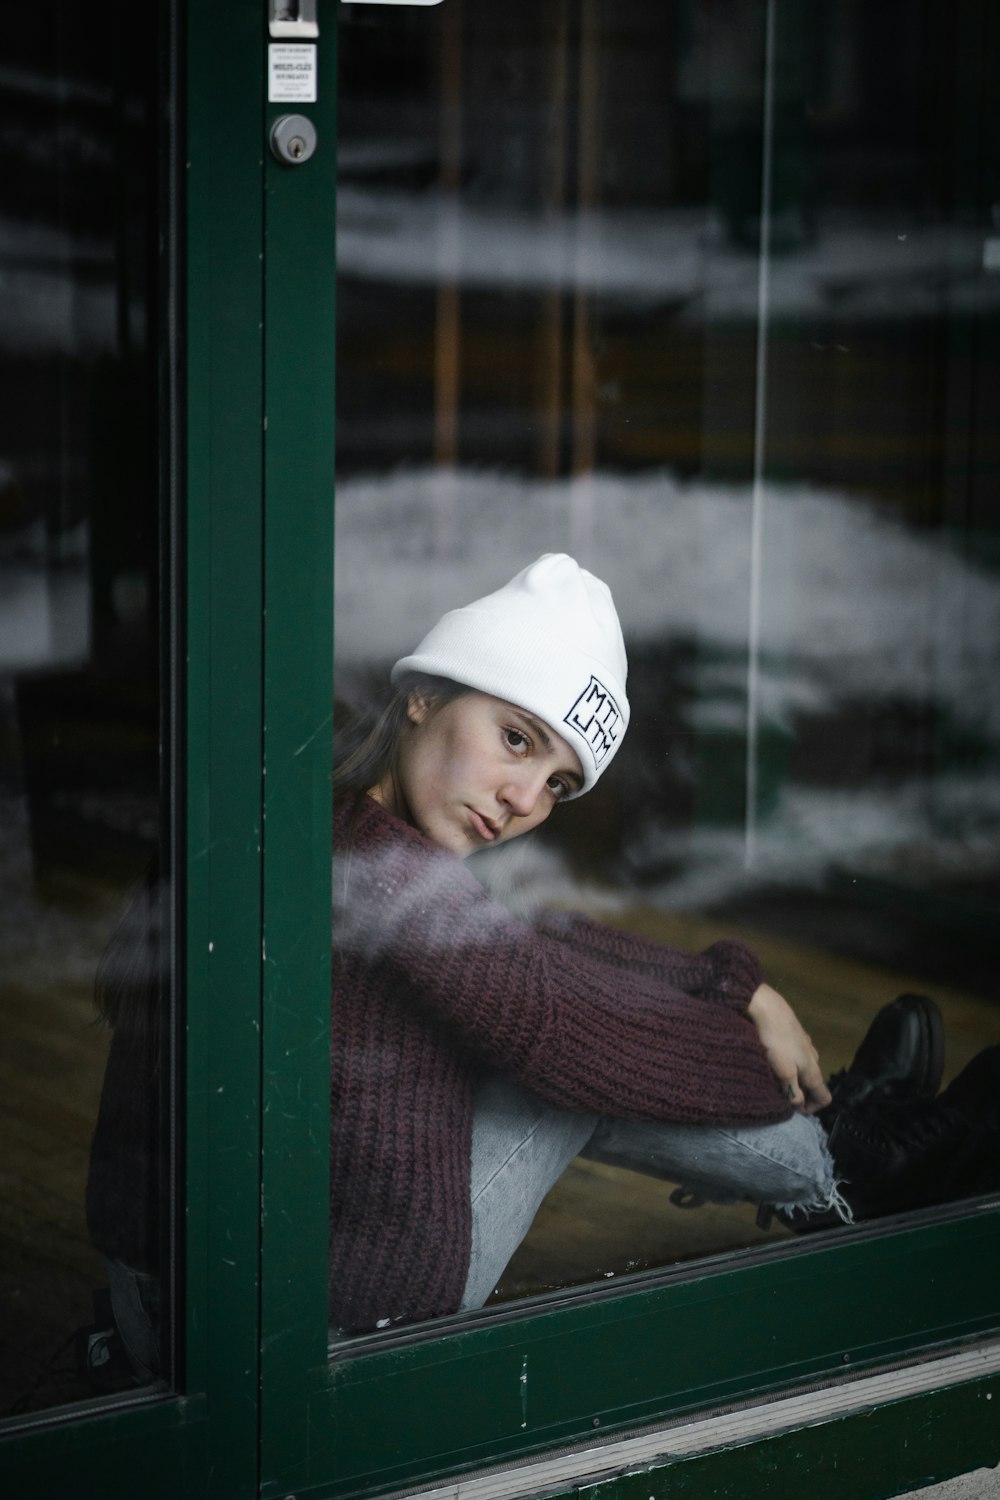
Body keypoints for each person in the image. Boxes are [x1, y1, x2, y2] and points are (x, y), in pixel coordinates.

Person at [329, 553, 1000, 1333]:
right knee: (575, 1069)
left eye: (558, 784)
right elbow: (579, 1029)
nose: (523, 801)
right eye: (517, 739)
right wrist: (775, 1070)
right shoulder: (396, 886)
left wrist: (733, 984)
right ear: (422, 696)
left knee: (567, 1027)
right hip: (368, 1301)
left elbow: (536, 942)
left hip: (331, 1250)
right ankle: (852, 1161)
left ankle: (852, 1151)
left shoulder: (354, 832)